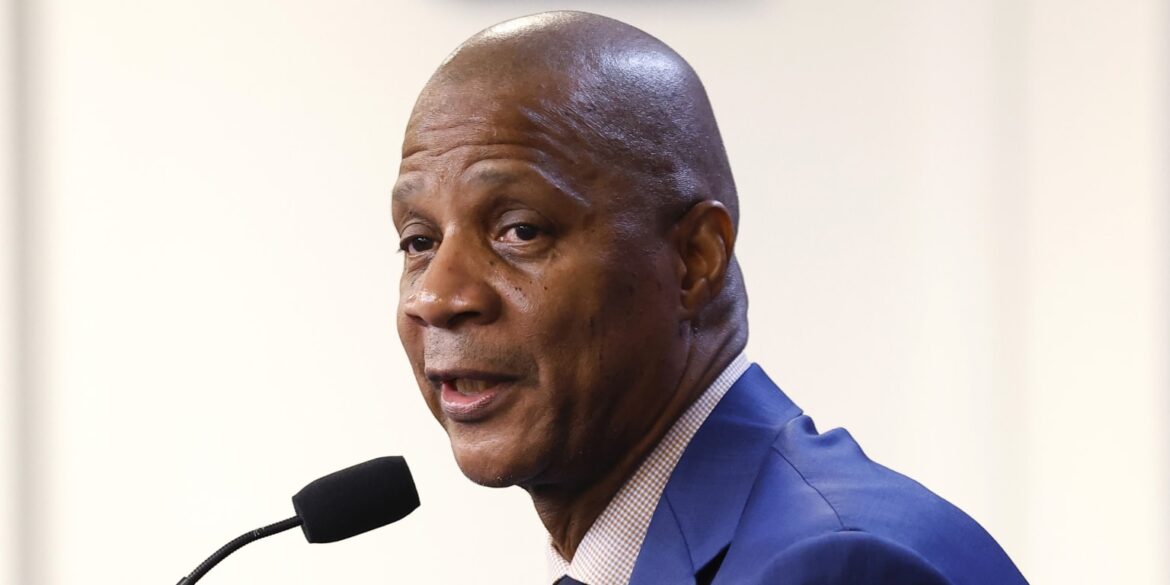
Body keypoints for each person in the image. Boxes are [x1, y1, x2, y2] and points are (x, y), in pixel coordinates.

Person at [392, 10, 1027, 585]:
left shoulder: (833, 567)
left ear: (696, 260)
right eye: (419, 241)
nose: (438, 296)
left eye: (521, 231)